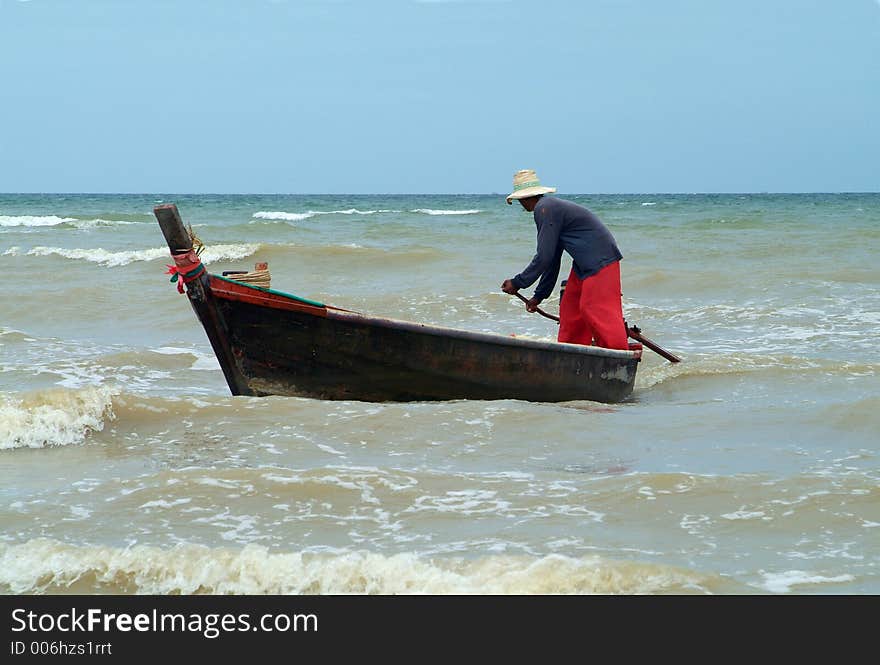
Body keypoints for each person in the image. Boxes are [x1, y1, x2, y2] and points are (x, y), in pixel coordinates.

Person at [500, 169, 629, 350]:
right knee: (571, 310)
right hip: (582, 265)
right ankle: (572, 352)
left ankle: (619, 355)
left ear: (524, 199)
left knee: (592, 309)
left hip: (601, 261)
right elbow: (552, 259)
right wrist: (539, 296)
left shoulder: (544, 209)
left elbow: (543, 257)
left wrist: (517, 282)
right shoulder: (549, 208)